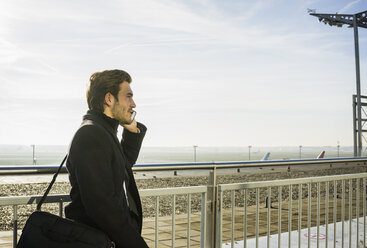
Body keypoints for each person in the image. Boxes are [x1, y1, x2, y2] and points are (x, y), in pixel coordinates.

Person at [65, 69, 149, 247]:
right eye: (128, 96)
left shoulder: (102, 132)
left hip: (105, 239)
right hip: (95, 241)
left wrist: (132, 131)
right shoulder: (91, 134)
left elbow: (121, 165)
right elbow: (102, 207)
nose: (133, 104)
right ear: (109, 99)